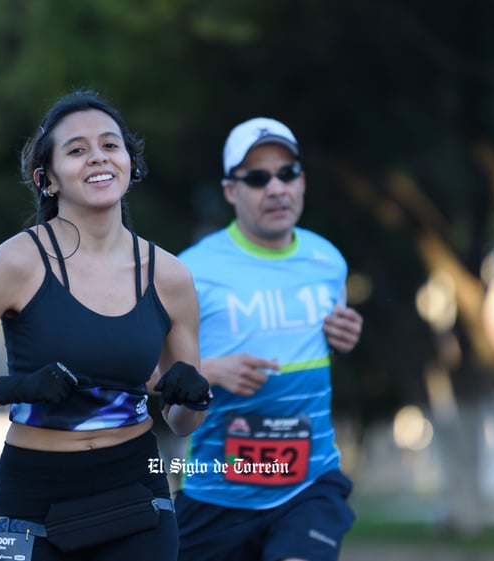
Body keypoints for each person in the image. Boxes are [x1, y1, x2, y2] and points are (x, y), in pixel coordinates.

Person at [0, 90, 211, 561]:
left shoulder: (169, 277)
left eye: (110, 145)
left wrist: (194, 395)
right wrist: (17, 387)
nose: (98, 158)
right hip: (34, 498)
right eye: (76, 150)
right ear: (47, 180)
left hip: (136, 493)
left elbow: (181, 421)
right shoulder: (17, 263)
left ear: (130, 164)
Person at [174, 117, 363, 561]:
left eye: (287, 173)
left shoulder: (328, 261)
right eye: (258, 178)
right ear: (230, 191)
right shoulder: (190, 271)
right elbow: (147, 371)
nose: (277, 188)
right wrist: (208, 372)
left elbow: (323, 342)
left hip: (309, 484)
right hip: (217, 490)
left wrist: (345, 337)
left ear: (302, 182)